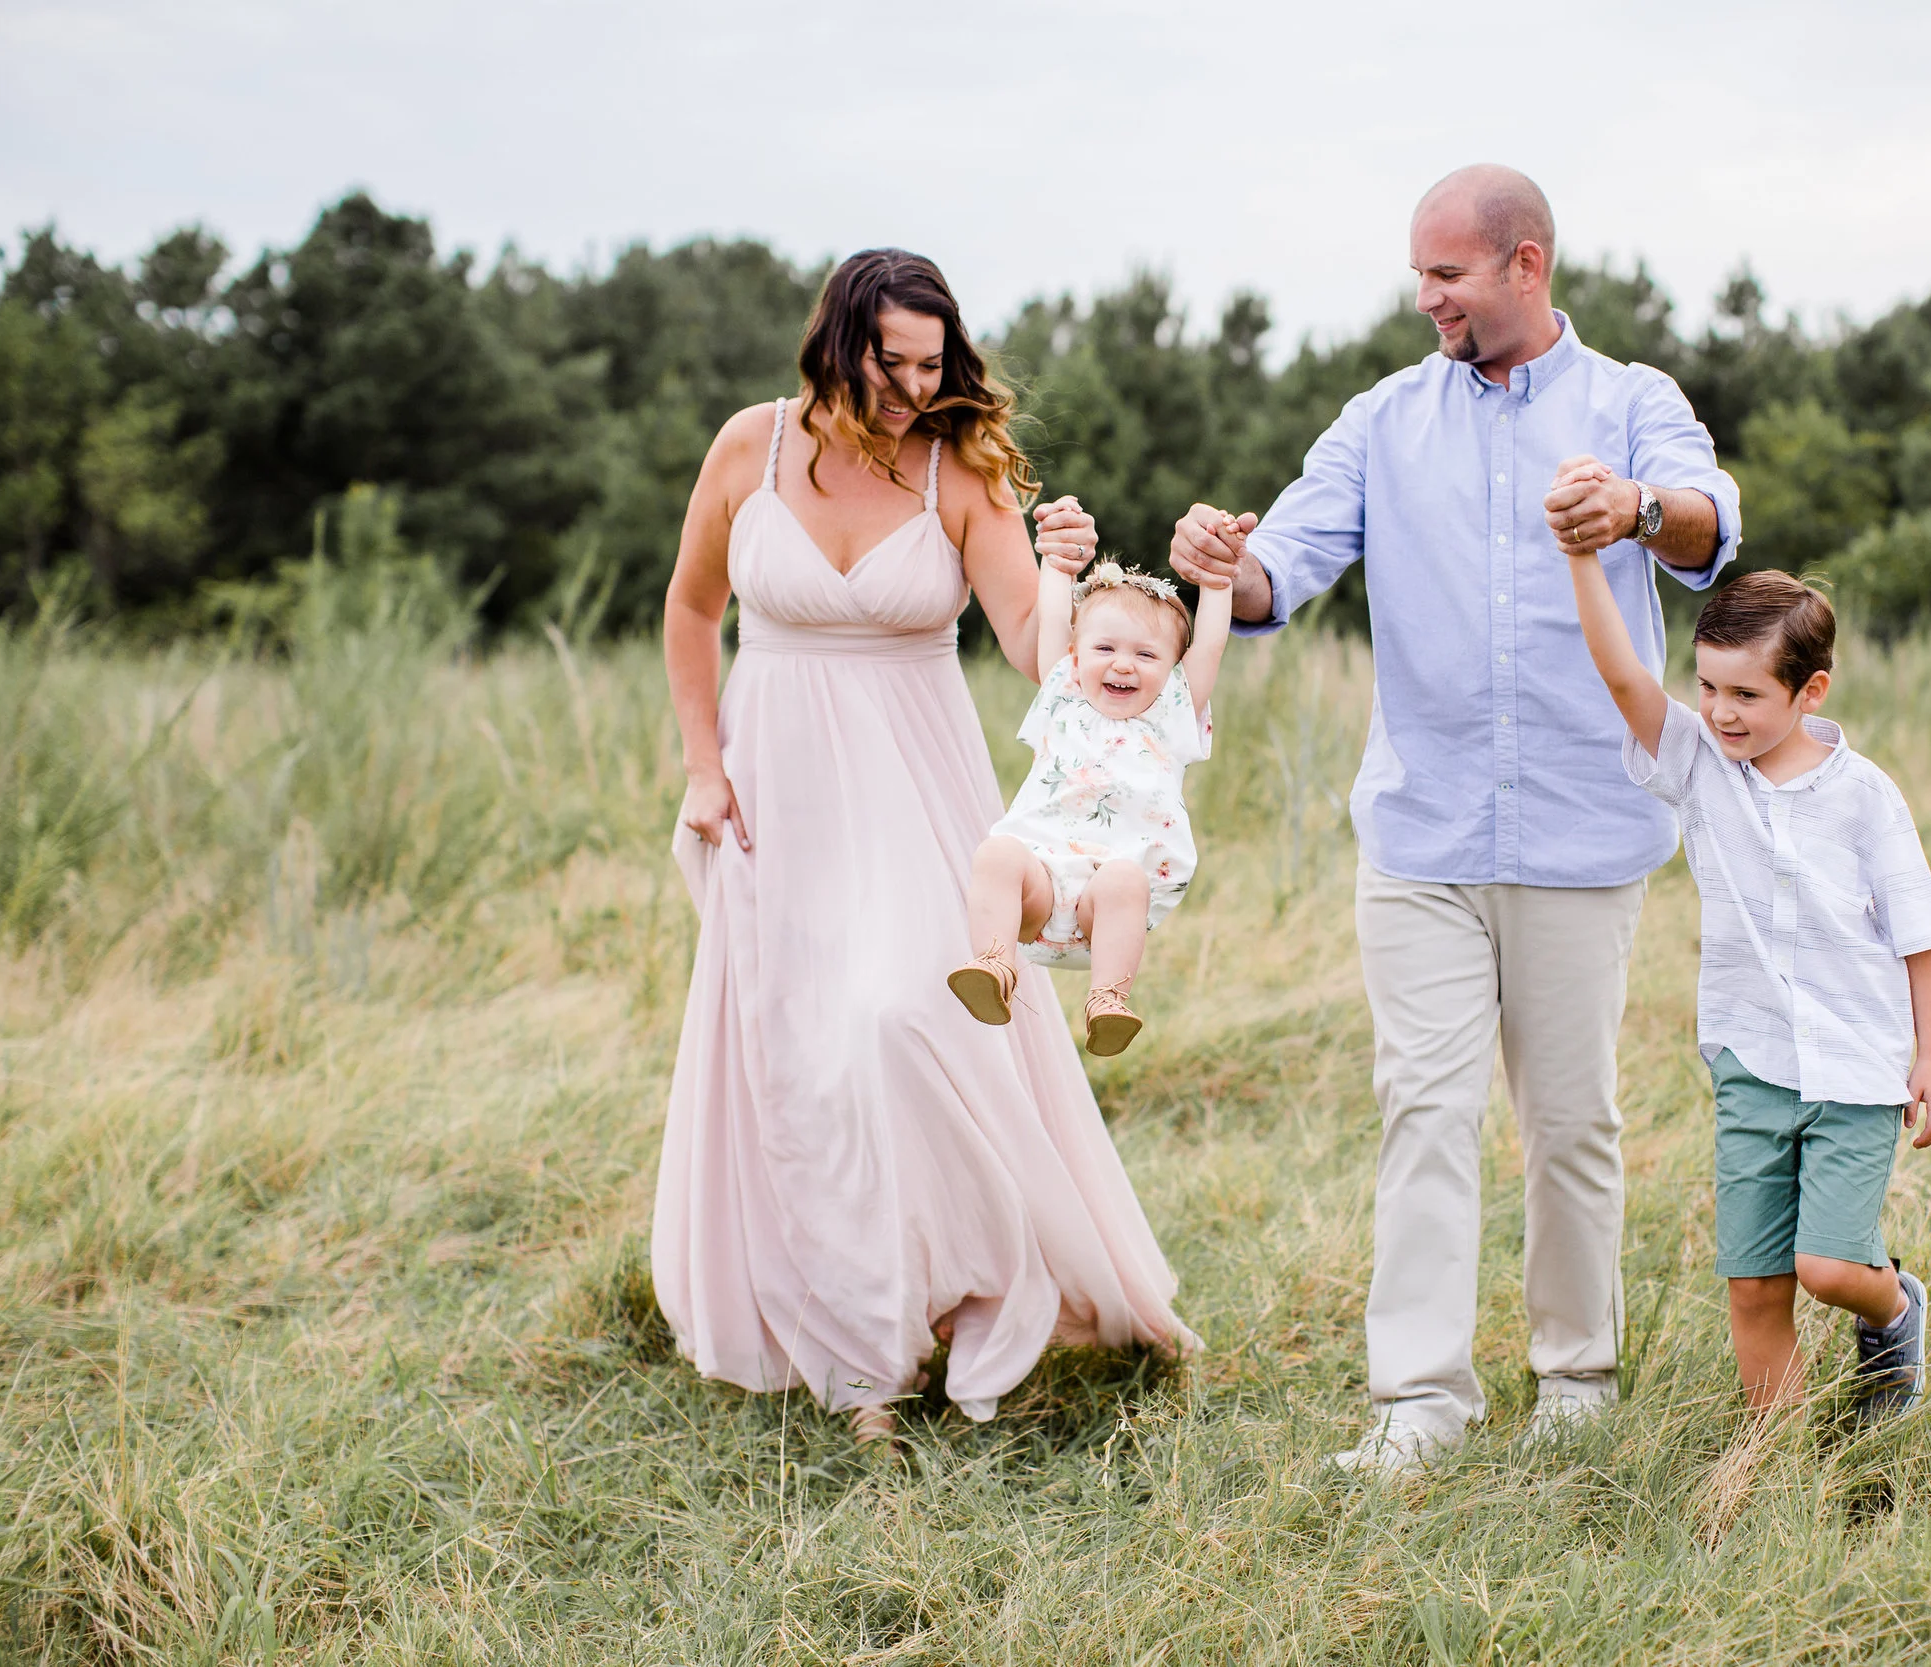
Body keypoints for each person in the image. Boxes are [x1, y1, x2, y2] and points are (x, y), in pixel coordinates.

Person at [1171, 166, 1743, 1475]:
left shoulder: (1632, 402)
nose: (1426, 297)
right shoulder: (1380, 420)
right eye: (1418, 275)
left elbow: (1708, 525)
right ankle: (1419, 1401)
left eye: (1447, 274)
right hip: (1420, 831)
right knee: (1423, 1111)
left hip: (1582, 828)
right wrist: (1220, 562)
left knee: (1572, 1122)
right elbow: (1279, 571)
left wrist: (1638, 510)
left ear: (1524, 264)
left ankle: (1576, 1378)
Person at [652, 248, 1197, 1444]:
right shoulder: (750, 445)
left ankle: (973, 1279)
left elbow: (1032, 648)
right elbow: (692, 607)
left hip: (916, 780)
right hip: (776, 780)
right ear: (833, 345)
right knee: (806, 1049)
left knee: (898, 1019)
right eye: (886, 362)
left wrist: (1060, 577)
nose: (909, 387)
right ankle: (865, 1357)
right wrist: (701, 763)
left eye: (928, 363)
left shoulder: (961, 467)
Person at [1564, 558, 1931, 1418]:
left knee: (1829, 1268)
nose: (1720, 711)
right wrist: (1581, 557)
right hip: (1751, 1059)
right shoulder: (1700, 764)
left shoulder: (1865, 797)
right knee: (1754, 1286)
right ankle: (1772, 1463)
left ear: (1810, 691)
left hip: (1855, 1067)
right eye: (1707, 686)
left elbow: (1919, 933)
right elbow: (1622, 673)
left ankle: (1894, 1308)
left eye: (1746, 694)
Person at [949, 550, 1233, 1057]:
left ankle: (1108, 999)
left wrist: (1218, 582)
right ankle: (994, 963)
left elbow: (1210, 645)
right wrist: (1057, 565)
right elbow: (1054, 618)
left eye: (1146, 655)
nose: (1123, 663)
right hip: (1037, 892)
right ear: (1075, 658)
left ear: (1172, 671)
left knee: (1124, 879)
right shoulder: (1062, 694)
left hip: (1106, 910)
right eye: (1105, 648)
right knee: (997, 853)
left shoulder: (1169, 714)